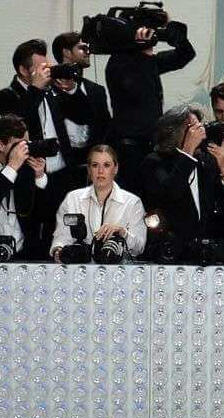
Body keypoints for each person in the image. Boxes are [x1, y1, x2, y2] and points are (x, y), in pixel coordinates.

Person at [0, 39, 73, 258]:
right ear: (23, 70)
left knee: (51, 228)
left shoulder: (52, 93)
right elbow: (16, 123)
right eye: (40, 68)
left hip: (54, 175)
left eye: (47, 67)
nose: (46, 72)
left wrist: (71, 88)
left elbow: (83, 116)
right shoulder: (7, 96)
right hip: (19, 176)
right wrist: (35, 90)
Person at [106, 21, 196, 196]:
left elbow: (185, 55)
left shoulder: (149, 62)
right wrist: (144, 52)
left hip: (151, 145)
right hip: (129, 150)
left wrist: (175, 36)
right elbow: (135, 90)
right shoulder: (118, 63)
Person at [139, 105, 224, 259]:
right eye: (194, 128)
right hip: (171, 251)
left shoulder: (205, 161)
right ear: (175, 131)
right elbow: (171, 193)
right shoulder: (155, 162)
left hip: (206, 252)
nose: (201, 131)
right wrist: (187, 151)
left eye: (200, 126)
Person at [51, 144, 146, 261]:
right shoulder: (72, 198)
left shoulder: (133, 202)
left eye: (106, 165)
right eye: (95, 165)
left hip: (119, 269)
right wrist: (59, 251)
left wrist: (123, 233)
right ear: (89, 170)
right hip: (79, 268)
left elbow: (139, 247)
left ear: (115, 169)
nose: (100, 171)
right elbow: (61, 237)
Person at [51, 31, 112, 188]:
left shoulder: (96, 90)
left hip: (91, 166)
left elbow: (105, 127)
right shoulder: (48, 89)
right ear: (66, 52)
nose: (88, 52)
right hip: (59, 166)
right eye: (82, 48)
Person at [0, 113, 47, 259]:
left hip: (23, 254)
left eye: (26, 144)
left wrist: (40, 177)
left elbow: (44, 215)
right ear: (1, 145)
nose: (24, 151)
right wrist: (12, 167)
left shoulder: (26, 170)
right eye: (18, 146)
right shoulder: (15, 166)